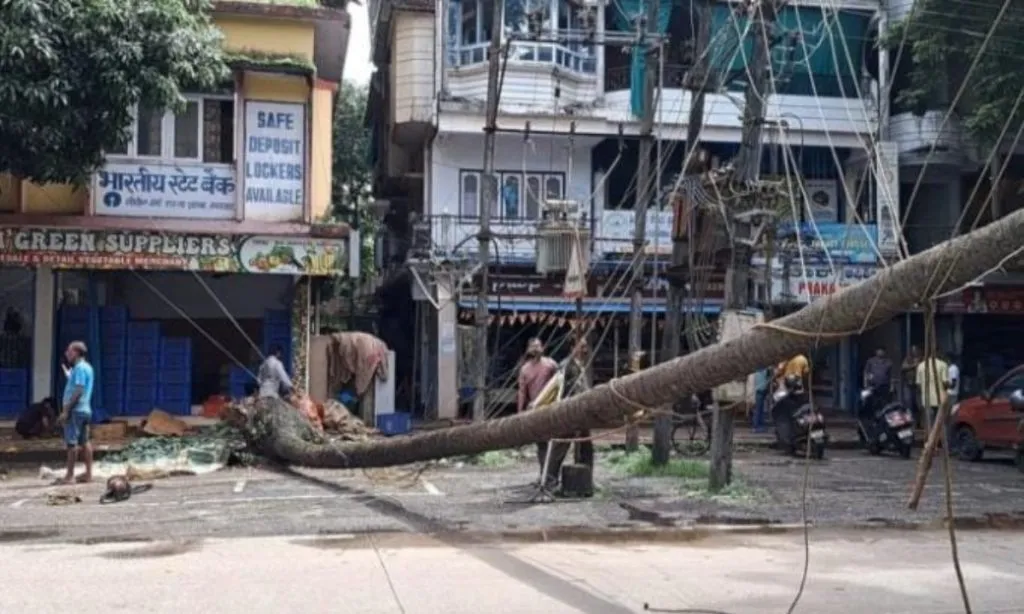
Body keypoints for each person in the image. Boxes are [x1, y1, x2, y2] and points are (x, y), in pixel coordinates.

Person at [516, 337, 559, 487]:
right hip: (534, 410)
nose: (536, 349)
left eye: (538, 346)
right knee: (541, 445)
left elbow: (559, 384)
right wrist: (520, 412)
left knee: (552, 443)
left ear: (543, 348)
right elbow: (522, 392)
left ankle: (551, 476)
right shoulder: (525, 369)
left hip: (550, 408)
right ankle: (543, 475)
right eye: (533, 346)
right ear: (528, 350)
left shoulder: (551, 364)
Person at [58, 341, 95, 484]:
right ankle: (88, 474)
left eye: (69, 351)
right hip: (85, 409)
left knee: (71, 443)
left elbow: (79, 390)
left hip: (75, 410)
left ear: (76, 353)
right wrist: (70, 376)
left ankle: (69, 476)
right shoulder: (87, 367)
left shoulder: (79, 368)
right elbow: (79, 385)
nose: (67, 354)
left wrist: (66, 410)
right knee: (85, 442)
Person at [916, 352, 950, 431]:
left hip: (927, 399)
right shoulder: (943, 365)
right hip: (940, 399)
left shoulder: (920, 366)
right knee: (941, 424)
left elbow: (918, 384)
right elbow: (945, 383)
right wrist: (949, 385)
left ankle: (930, 437)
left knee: (929, 424)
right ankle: (940, 438)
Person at [901, 345, 921, 414]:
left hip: (918, 384)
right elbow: (903, 367)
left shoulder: (921, 358)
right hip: (908, 383)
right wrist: (913, 366)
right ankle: (910, 415)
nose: (914, 352)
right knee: (908, 401)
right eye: (912, 350)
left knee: (918, 402)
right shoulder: (908, 358)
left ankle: (918, 416)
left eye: (915, 350)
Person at [752, 366, 772, 433]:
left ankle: (759, 426)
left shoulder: (759, 370)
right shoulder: (764, 370)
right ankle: (756, 426)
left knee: (760, 409)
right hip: (761, 390)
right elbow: (768, 377)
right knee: (759, 409)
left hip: (760, 390)